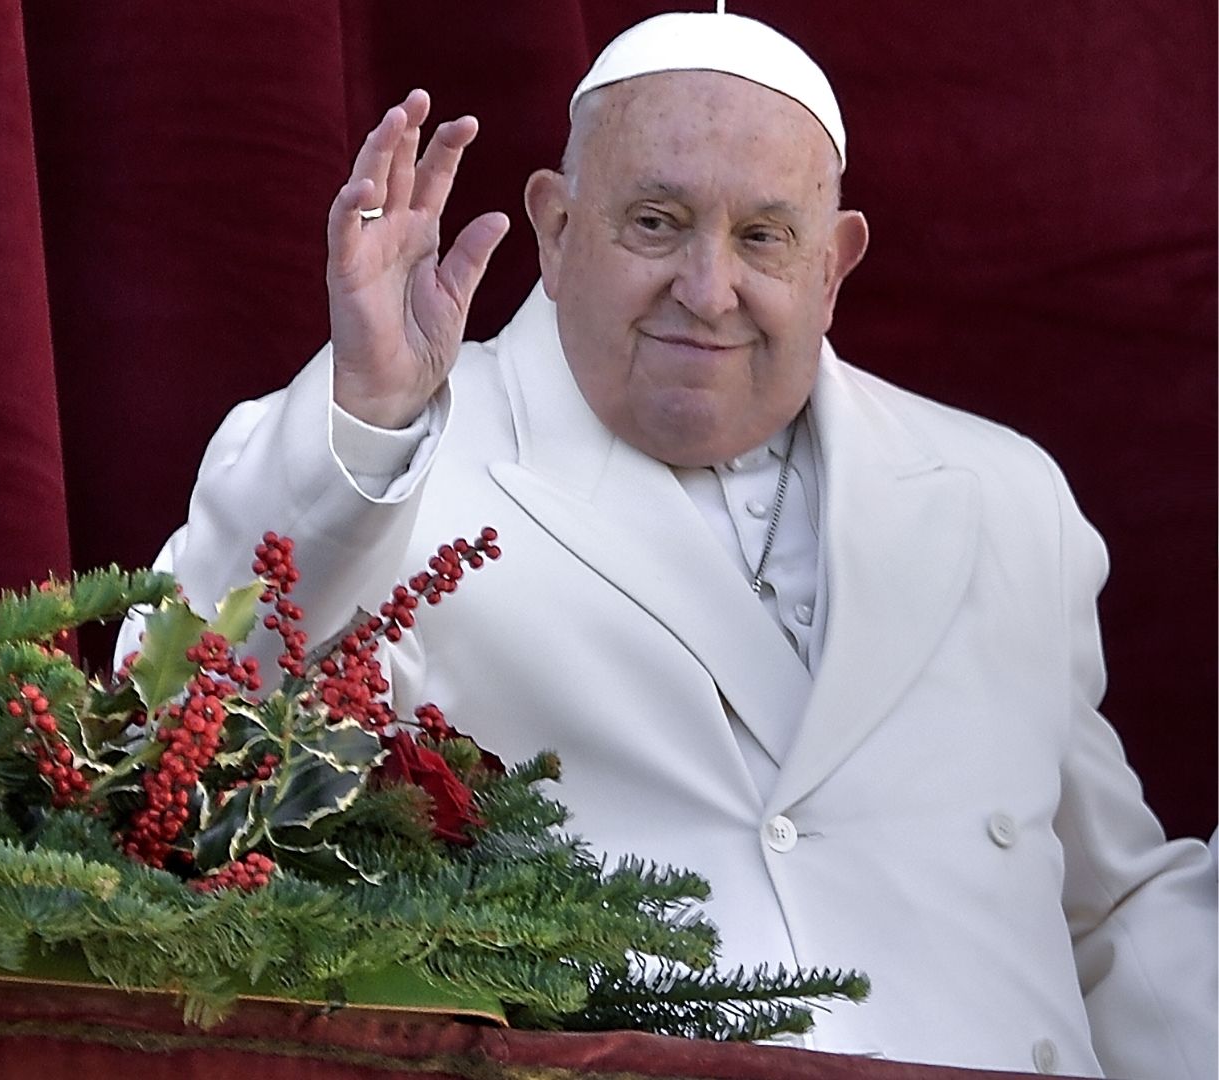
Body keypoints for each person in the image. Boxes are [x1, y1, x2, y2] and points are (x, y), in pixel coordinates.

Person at [139, 11, 1217, 1077]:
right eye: (656, 223)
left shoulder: (1004, 493)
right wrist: (372, 409)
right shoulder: (380, 451)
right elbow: (179, 745)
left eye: (764, 237)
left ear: (833, 265)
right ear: (556, 227)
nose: (707, 292)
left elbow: (1112, 908)